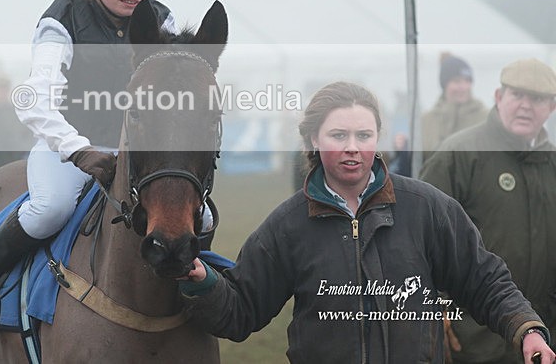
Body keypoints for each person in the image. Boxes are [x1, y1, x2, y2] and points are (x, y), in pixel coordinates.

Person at [0, 0, 215, 342]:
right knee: (50, 206)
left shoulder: (160, 20)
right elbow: (36, 102)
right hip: (67, 147)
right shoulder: (62, 20)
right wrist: (79, 149)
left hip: (137, 151)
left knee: (198, 217)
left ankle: (203, 293)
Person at [178, 81, 554, 363]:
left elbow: (484, 280)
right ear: (312, 138)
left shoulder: (427, 208)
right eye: (338, 135)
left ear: (379, 137)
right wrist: (204, 283)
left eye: (364, 135)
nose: (352, 147)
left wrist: (526, 328)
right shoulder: (287, 225)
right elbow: (242, 309)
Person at [420, 58, 556, 364]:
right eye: (517, 95)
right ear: (498, 97)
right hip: (473, 342)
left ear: (552, 107)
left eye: (536, 99)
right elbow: (416, 238)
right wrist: (433, 309)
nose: (525, 105)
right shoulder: (459, 155)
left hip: (541, 344)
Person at [421, 53, 487, 162]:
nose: (463, 87)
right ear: (444, 84)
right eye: (457, 81)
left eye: (467, 81)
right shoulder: (426, 121)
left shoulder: (485, 118)